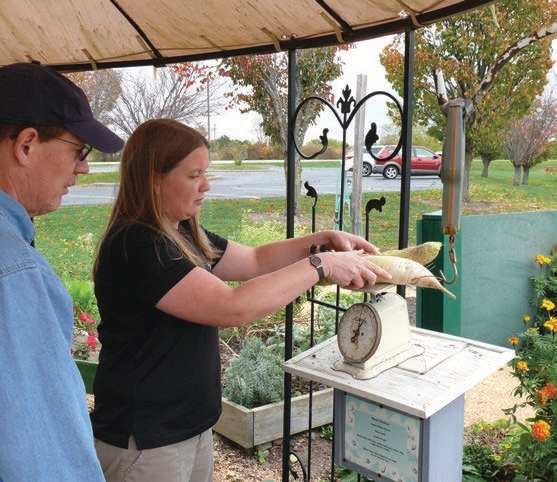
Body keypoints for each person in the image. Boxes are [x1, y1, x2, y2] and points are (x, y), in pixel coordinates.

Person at [90, 118, 391, 482]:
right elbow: (234, 306)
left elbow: (255, 261)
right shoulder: (137, 243)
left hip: (187, 427)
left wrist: (324, 239)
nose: (206, 185)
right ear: (154, 179)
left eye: (206, 172)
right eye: (193, 175)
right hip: (145, 440)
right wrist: (321, 264)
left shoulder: (179, 229)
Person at [0, 61, 124, 481]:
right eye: (79, 150)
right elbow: (41, 456)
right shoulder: (15, 274)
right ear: (27, 145)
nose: (84, 167)